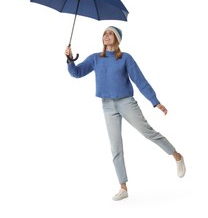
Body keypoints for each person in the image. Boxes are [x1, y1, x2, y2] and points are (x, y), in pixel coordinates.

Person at [65, 26, 186, 201]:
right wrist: (69, 59)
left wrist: (155, 102)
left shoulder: (125, 58)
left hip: (126, 103)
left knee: (148, 133)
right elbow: (76, 73)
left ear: (117, 38)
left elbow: (140, 81)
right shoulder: (95, 59)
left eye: (110, 33)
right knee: (115, 147)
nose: (106, 35)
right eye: (104, 33)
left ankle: (177, 156)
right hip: (107, 106)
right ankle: (123, 187)